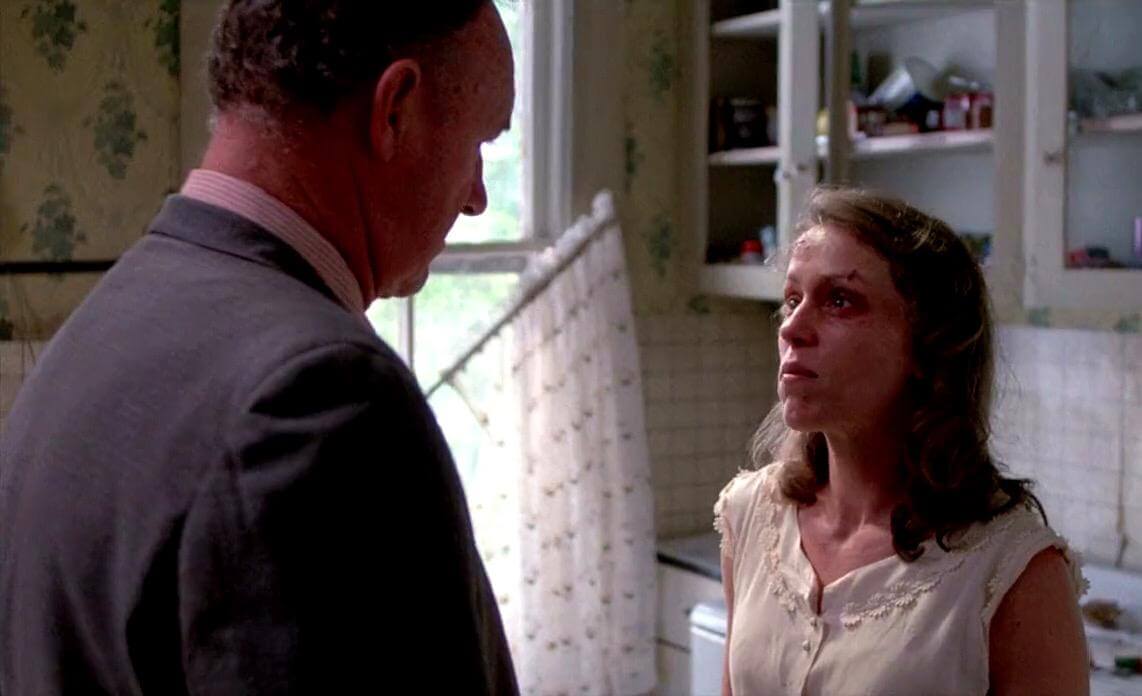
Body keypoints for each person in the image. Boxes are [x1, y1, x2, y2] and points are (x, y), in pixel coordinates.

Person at [0, 2, 519, 693]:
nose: (478, 197)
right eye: (481, 144)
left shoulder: (105, 323)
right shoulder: (323, 399)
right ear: (394, 108)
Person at [714, 187, 1089, 695]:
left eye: (839, 301)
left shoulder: (1010, 572)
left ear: (927, 348)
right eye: (792, 299)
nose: (792, 329)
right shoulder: (752, 514)